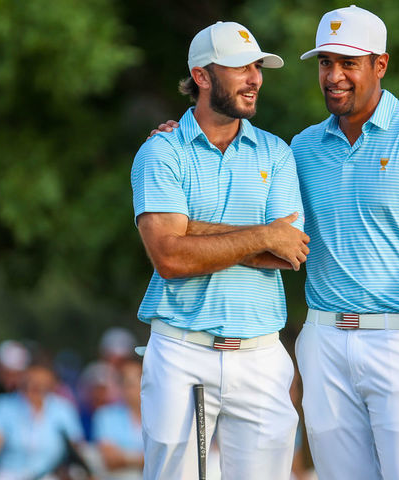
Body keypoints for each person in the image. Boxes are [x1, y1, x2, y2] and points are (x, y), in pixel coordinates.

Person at [151, 6, 399, 479]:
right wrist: (178, 137)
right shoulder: (299, 148)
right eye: (325, 63)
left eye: (349, 63)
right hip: (323, 342)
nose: (334, 77)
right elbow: (273, 235)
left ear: (379, 65)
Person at [131, 21, 309, 479]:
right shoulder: (162, 152)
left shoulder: (277, 152)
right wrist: (262, 233)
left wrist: (189, 230)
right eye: (240, 67)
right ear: (203, 76)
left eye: (257, 67)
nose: (255, 78)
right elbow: (169, 259)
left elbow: (288, 251)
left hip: (261, 354)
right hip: (182, 349)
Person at [0, 361, 84, 479]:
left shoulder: (63, 409)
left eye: (40, 385)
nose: (33, 389)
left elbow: (75, 449)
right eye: (29, 383)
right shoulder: (4, 406)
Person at [92, 358, 143, 478]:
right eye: (125, 383)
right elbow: (110, 460)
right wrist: (146, 458)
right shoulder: (105, 415)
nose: (129, 389)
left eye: (133, 383)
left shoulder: (163, 417)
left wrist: (124, 456)